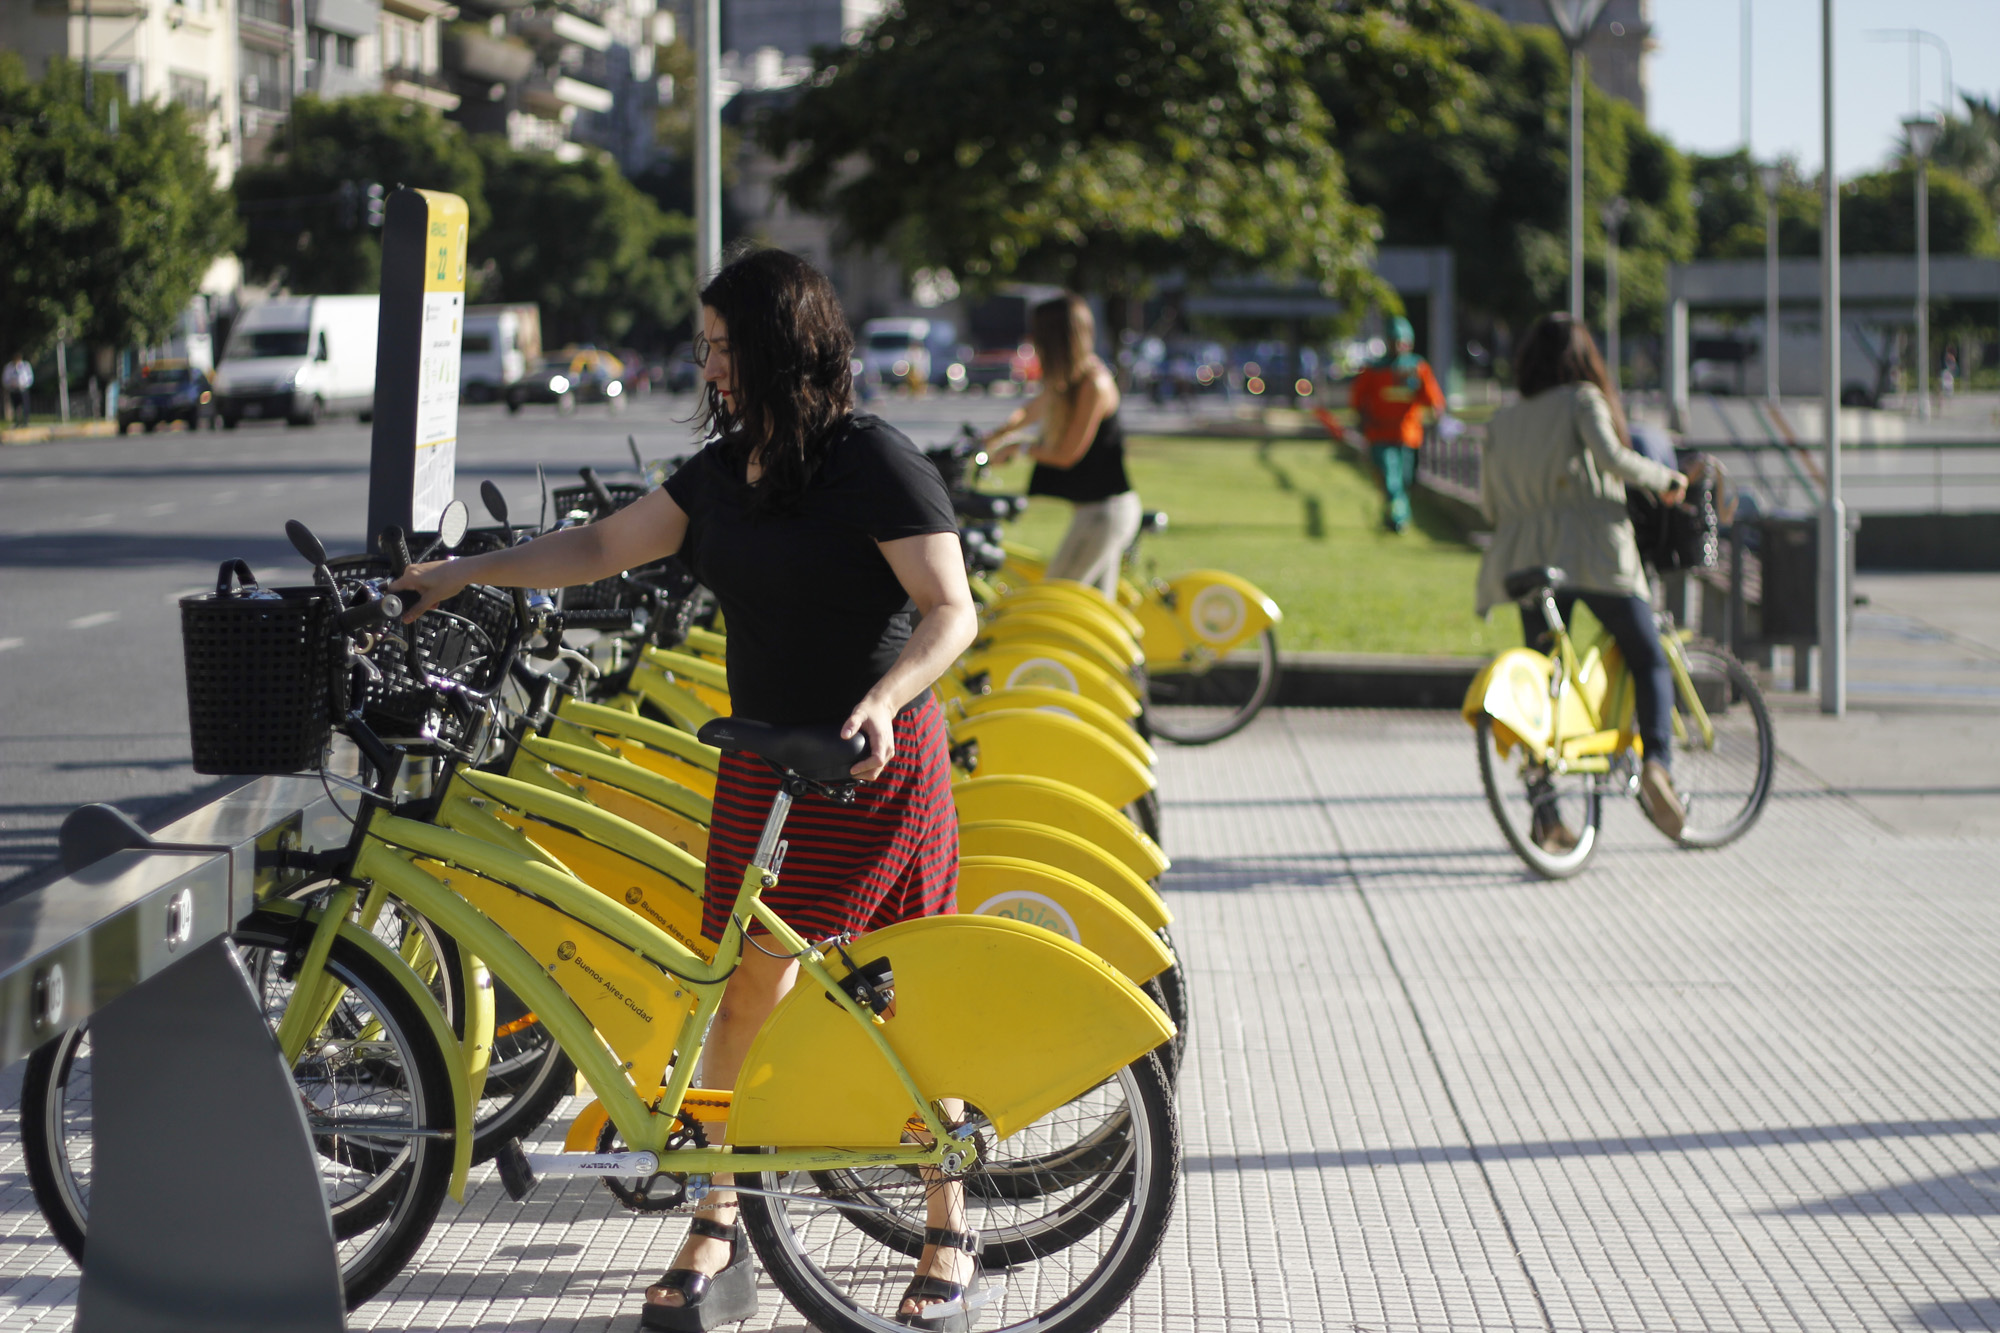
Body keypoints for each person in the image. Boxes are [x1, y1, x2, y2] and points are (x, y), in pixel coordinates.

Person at [390, 248, 980, 1331]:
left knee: (879, 992)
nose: (705, 364)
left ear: (772, 346)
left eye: (718, 345)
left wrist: (886, 699)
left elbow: (950, 609)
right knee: (739, 992)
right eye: (704, 345)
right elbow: (604, 545)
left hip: (863, 766)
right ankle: (716, 1210)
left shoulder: (872, 463)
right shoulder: (723, 474)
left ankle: (945, 1215)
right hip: (761, 762)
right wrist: (470, 568)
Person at [1476, 313, 1689, 844]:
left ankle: (1546, 816)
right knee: (1647, 655)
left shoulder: (1503, 423)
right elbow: (1613, 458)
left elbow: (1488, 504)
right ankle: (1657, 768)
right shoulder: (1581, 401)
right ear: (1583, 358)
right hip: (1594, 551)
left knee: (1546, 683)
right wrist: (1667, 479)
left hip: (1525, 558)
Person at [982, 293, 1137, 599]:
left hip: (1106, 513)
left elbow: (1067, 455)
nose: (1032, 342)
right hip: (1094, 512)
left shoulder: (1094, 384)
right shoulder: (1069, 381)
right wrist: (993, 436)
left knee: (1054, 597)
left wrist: (1019, 449)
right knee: (1092, 609)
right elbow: (1030, 411)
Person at [1348, 315, 1444, 533]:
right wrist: (1360, 419)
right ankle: (1398, 518)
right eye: (1394, 340)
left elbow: (1432, 398)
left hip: (1408, 435)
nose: (1398, 345)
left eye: (1402, 341)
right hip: (1379, 433)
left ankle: (1396, 514)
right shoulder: (1374, 369)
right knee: (1390, 478)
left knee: (1405, 479)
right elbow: (1358, 398)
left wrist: (1438, 414)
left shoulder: (1417, 367)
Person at [3, 353, 33, 427]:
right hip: (13, 389)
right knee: (16, 406)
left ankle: (25, 421)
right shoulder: (9, 367)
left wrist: (24, 384)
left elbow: (29, 377)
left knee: (25, 405)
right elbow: (5, 378)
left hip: (23, 389)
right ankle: (17, 421)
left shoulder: (25, 366)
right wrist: (9, 385)